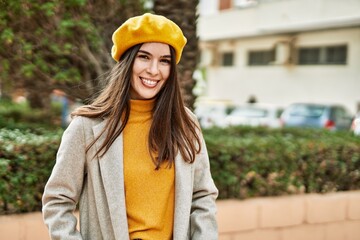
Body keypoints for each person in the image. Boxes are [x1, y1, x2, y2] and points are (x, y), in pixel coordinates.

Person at [42, 13, 218, 240]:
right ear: (127, 61)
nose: (154, 70)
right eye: (144, 57)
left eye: (164, 60)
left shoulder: (186, 124)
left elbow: (202, 197)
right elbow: (57, 201)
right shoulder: (86, 127)